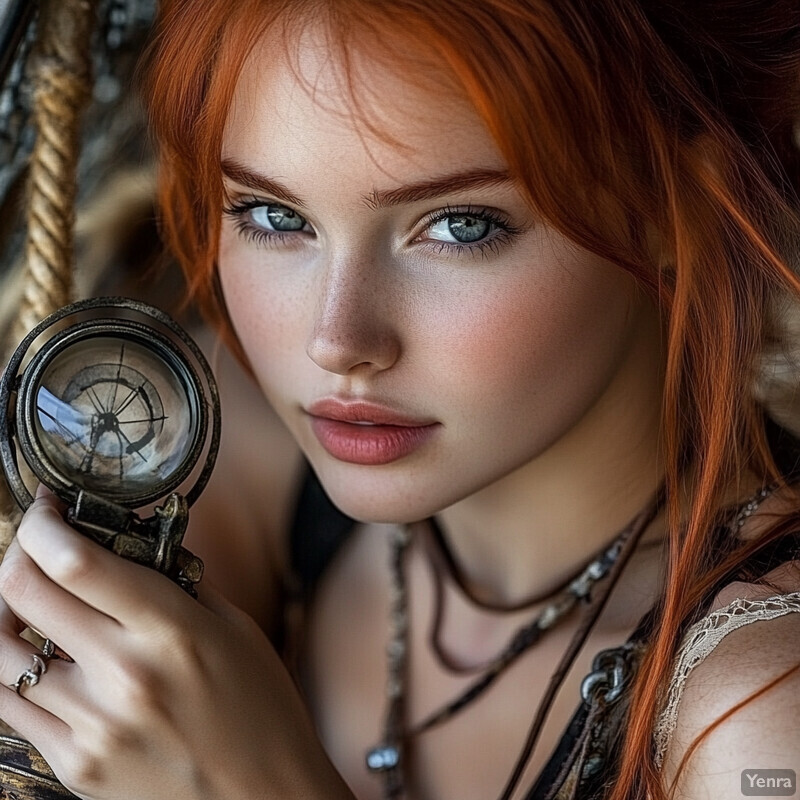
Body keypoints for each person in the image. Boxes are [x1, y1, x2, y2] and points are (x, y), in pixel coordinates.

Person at [0, 1, 799, 798]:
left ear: (678, 203)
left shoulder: (761, 717)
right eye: (276, 217)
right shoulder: (231, 444)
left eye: (458, 226)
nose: (336, 341)